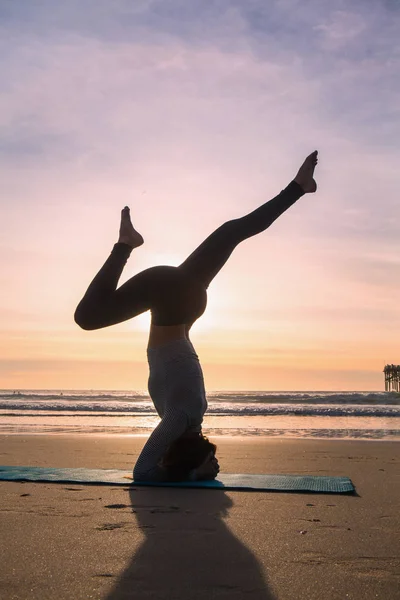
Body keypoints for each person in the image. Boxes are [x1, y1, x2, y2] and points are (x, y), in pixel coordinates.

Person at [74, 151, 318, 482]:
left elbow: (143, 472)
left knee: (88, 317)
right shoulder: (189, 418)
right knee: (231, 233)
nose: (216, 465)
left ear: (189, 458)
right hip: (176, 311)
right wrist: (193, 470)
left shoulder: (178, 420)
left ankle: (125, 245)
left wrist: (191, 475)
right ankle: (298, 188)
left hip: (174, 301)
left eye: (210, 463)